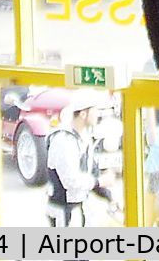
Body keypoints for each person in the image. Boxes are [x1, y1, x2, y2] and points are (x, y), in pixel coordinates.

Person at [46, 94, 105, 226]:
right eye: (95, 110)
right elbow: (70, 180)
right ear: (83, 114)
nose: (98, 115)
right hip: (63, 211)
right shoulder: (64, 140)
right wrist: (98, 182)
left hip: (79, 208)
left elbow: (91, 172)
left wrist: (108, 195)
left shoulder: (85, 137)